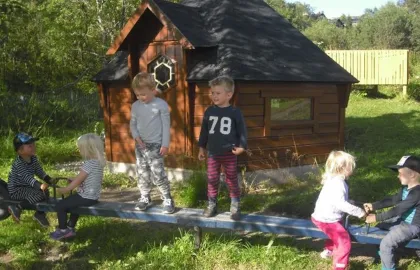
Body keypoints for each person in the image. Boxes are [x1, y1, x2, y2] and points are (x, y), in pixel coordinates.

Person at [198, 75, 247, 220]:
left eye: (218, 93)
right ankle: (212, 204)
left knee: (231, 178)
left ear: (229, 94)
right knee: (212, 178)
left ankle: (235, 205)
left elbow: (242, 131)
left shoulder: (235, 112)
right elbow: (204, 131)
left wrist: (242, 147)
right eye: (212, 93)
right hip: (213, 153)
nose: (214, 96)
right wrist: (201, 147)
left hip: (229, 152)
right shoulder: (209, 111)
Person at [311, 151, 366, 270]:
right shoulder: (338, 183)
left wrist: (355, 203)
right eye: (351, 165)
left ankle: (329, 251)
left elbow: (337, 199)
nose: (353, 167)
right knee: (344, 240)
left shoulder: (334, 179)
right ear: (343, 167)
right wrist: (360, 212)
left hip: (323, 216)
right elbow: (341, 204)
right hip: (326, 219)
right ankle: (339, 266)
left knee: (336, 232)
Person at [129, 72, 175, 214]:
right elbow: (133, 124)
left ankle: (167, 197)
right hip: (140, 145)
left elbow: (166, 126)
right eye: (137, 95)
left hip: (156, 145)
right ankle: (145, 196)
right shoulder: (136, 106)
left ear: (153, 90)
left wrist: (165, 144)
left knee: (157, 172)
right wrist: (136, 138)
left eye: (143, 94)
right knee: (142, 172)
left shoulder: (161, 105)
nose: (140, 98)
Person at [364, 155, 420, 270]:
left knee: (386, 244)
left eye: (400, 173)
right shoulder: (406, 188)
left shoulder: (417, 193)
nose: (398, 176)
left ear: (412, 174)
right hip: (402, 221)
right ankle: (386, 255)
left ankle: (388, 267)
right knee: (379, 228)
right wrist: (374, 205)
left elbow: (398, 209)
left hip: (412, 226)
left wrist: (376, 217)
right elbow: (392, 200)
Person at [50, 133, 106, 240]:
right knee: (73, 205)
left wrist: (65, 189)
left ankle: (63, 230)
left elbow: (78, 180)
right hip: (92, 197)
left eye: (80, 148)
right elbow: (87, 178)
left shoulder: (89, 164)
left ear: (87, 149)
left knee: (61, 205)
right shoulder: (98, 162)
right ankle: (70, 227)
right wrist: (73, 179)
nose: (79, 150)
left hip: (85, 196)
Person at [7, 132, 53, 227]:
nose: (33, 147)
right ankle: (17, 207)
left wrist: (48, 179)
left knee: (45, 192)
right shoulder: (19, 163)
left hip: (26, 187)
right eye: (29, 146)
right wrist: (39, 185)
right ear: (20, 151)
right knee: (39, 193)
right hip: (16, 189)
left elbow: (39, 171)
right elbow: (27, 178)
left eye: (33, 145)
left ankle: (39, 214)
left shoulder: (33, 158)